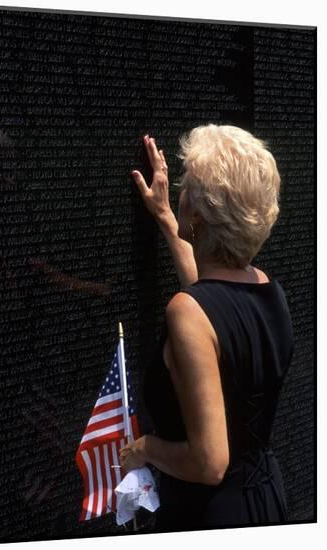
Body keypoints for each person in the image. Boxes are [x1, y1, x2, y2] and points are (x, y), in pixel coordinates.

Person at [118, 124, 294, 530]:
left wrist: (144, 449)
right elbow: (210, 301)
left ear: (198, 213)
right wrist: (165, 217)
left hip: (210, 516)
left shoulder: (187, 312)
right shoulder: (271, 291)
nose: (179, 192)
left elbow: (210, 462)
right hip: (267, 499)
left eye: (186, 187)